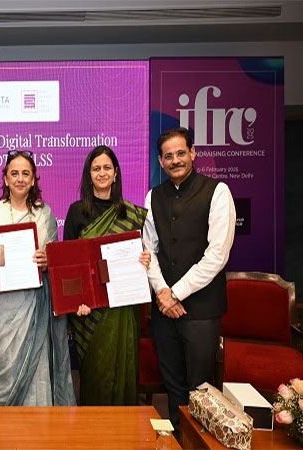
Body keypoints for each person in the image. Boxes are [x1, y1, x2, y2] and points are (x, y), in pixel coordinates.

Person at [143, 127, 236, 431]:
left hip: (201, 311)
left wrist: (175, 293)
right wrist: (162, 293)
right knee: (173, 387)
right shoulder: (153, 196)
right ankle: (175, 440)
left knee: (200, 389)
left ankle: (197, 442)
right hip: (164, 311)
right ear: (160, 161)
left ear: (193, 153)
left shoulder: (217, 191)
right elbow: (149, 251)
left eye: (181, 153)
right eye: (168, 156)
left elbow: (216, 256)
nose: (175, 160)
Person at [0, 150, 76, 407]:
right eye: (14, 173)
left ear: (33, 180)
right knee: (3, 381)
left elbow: (55, 262)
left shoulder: (45, 214)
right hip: (1, 312)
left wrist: (48, 260)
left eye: (26, 173)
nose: (20, 179)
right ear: (6, 179)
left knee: (37, 379)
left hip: (36, 311)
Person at [63, 146, 150, 405]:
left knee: (123, 376)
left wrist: (144, 260)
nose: (102, 173)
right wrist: (76, 301)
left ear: (116, 173)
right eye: (96, 168)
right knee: (94, 378)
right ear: (89, 175)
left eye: (107, 168)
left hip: (123, 309)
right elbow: (69, 265)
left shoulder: (132, 214)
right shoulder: (77, 212)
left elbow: (142, 257)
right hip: (89, 312)